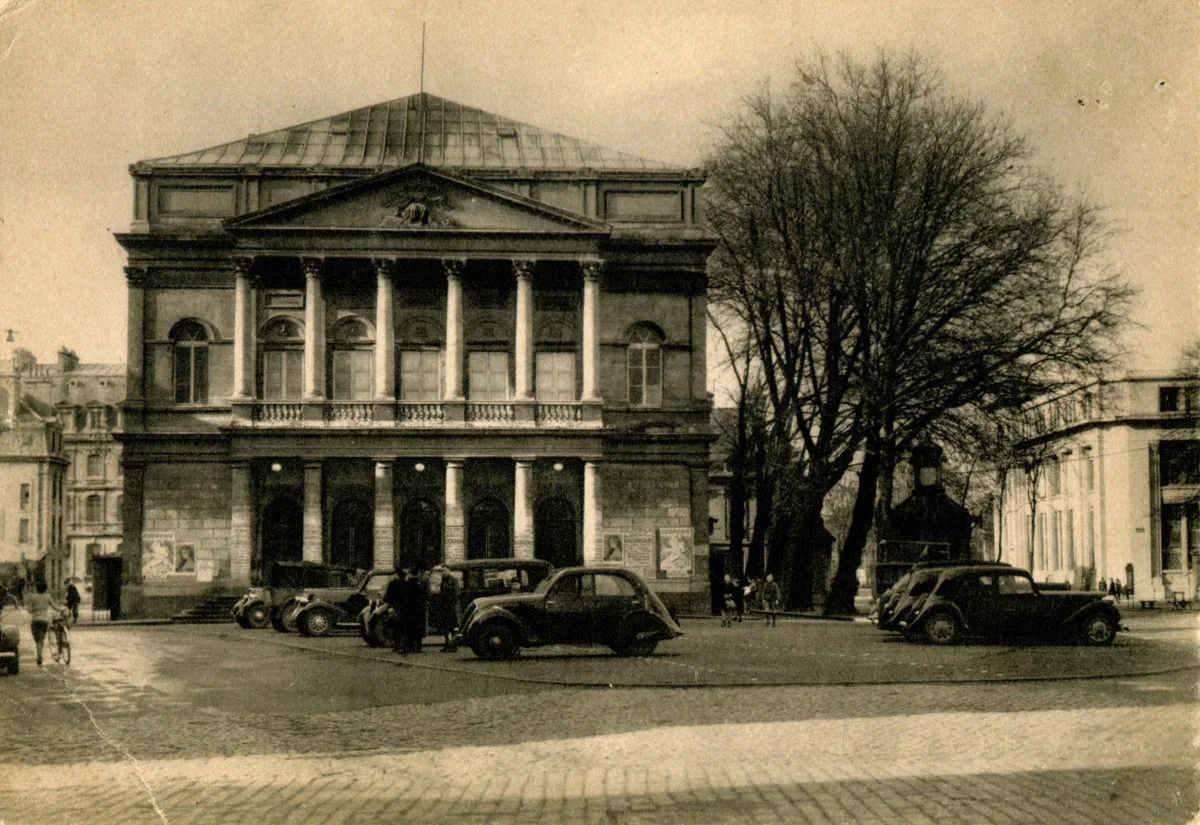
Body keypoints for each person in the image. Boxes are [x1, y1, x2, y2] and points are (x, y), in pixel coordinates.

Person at [25, 580, 64, 666]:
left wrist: (34, 608)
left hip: (36, 620)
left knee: (38, 640)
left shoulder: (32, 597)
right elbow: (55, 607)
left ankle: (39, 657)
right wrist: (63, 609)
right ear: (45, 589)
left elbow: (29, 610)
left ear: (37, 588)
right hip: (45, 621)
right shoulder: (48, 596)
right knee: (41, 639)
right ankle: (40, 656)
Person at [399, 568, 428, 654]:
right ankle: (417, 648)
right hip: (417, 611)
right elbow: (424, 597)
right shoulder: (420, 584)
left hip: (409, 611)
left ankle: (409, 648)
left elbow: (403, 598)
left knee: (408, 630)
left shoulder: (407, 584)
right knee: (417, 630)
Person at [435, 566, 462, 652]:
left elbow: (457, 593)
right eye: (442, 571)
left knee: (452, 627)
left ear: (448, 572)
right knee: (445, 628)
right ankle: (447, 644)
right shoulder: (443, 581)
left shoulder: (452, 581)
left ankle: (453, 645)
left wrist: (453, 604)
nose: (443, 573)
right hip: (444, 607)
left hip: (450, 607)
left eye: (445, 571)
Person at [384, 570, 407, 654]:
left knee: (396, 628)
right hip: (404, 609)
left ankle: (396, 645)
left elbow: (387, 597)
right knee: (403, 628)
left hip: (394, 608)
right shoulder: (406, 584)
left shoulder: (392, 584)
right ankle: (403, 646)